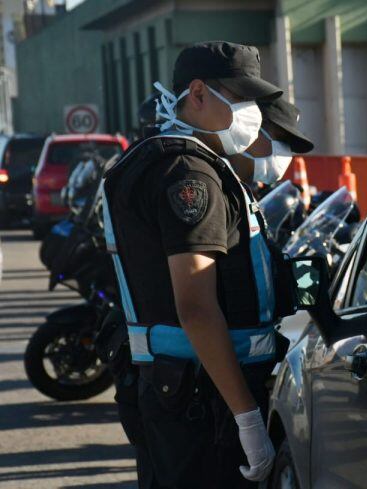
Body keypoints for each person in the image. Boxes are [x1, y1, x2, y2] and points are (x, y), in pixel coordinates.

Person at [102, 41, 310, 488]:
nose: (251, 113)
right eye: (240, 99)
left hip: (179, 390)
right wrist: (248, 419)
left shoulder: (161, 158)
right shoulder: (189, 174)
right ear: (198, 94)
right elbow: (195, 306)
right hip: (204, 400)